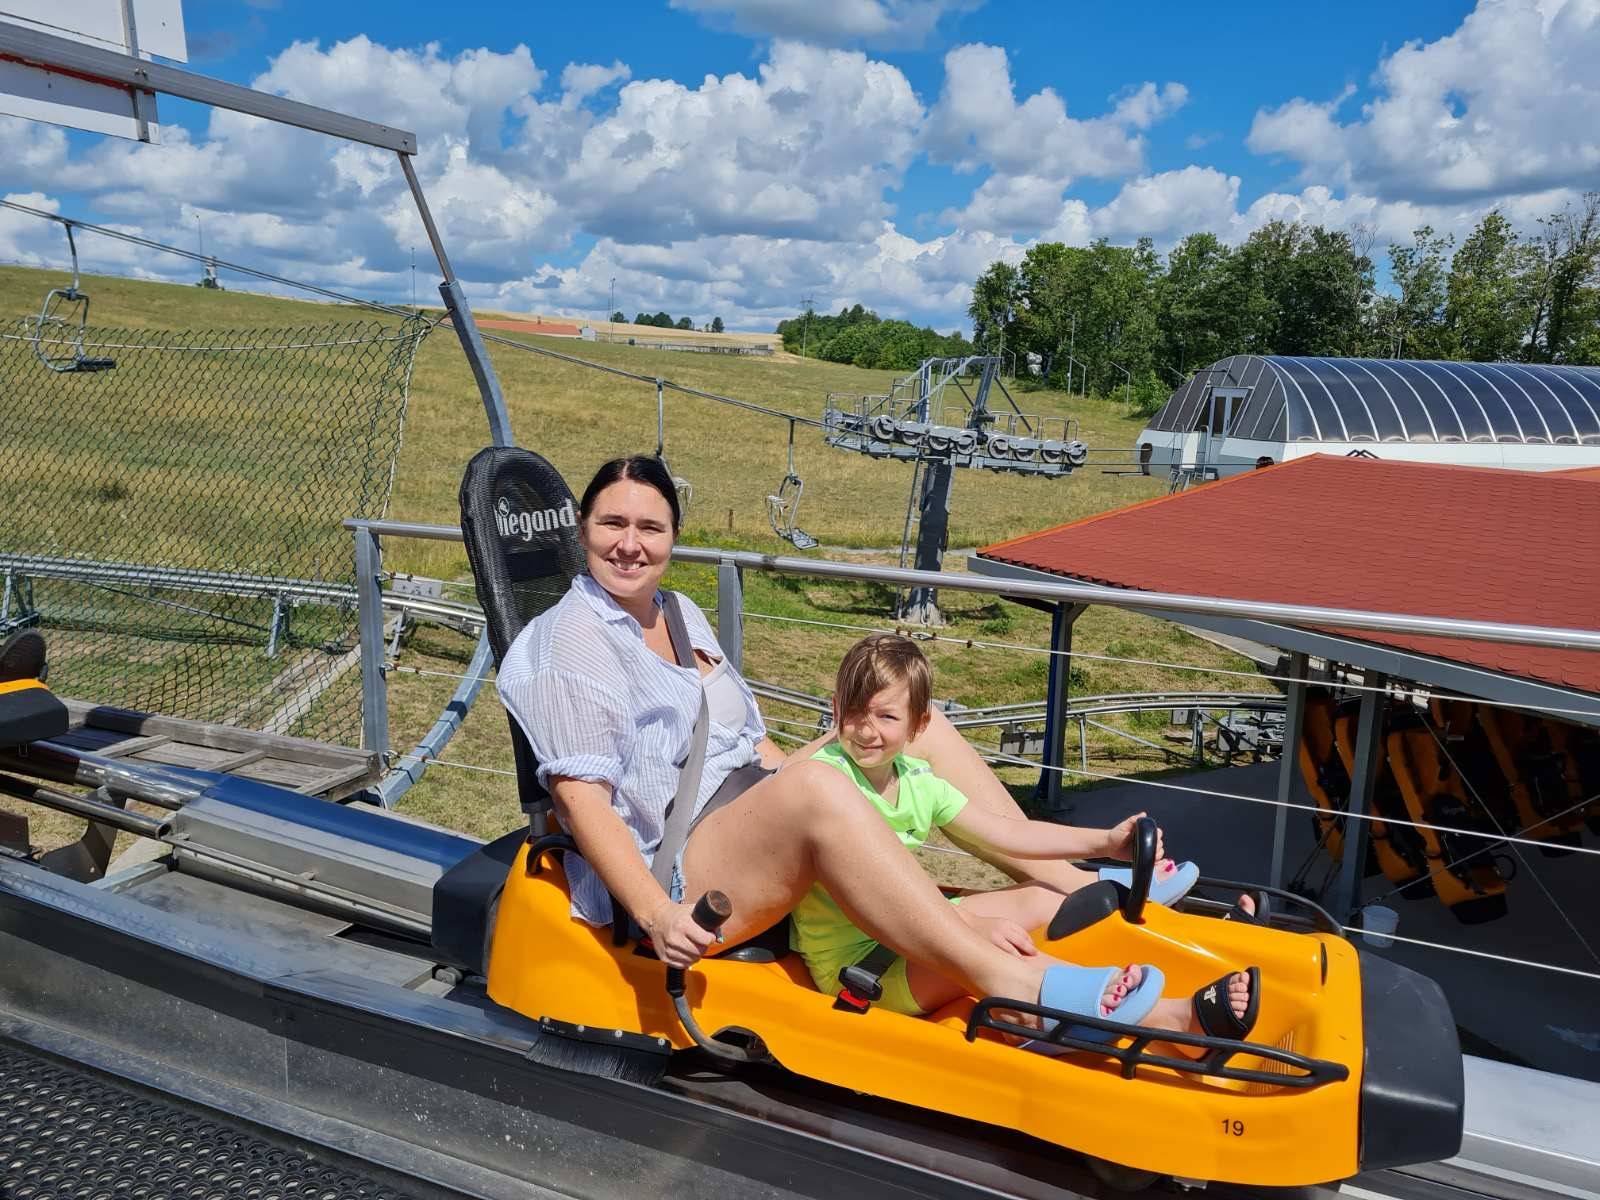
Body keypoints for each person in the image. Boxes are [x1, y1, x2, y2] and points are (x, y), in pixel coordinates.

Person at [498, 454, 1255, 1044]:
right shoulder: (573, 641)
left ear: (672, 537)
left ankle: (1073, 884)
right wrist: (659, 916)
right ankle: (1015, 985)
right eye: (611, 525)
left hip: (752, 811)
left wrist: (803, 773)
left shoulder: (679, 610)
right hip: (679, 863)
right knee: (820, 788)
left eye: (650, 528)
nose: (630, 544)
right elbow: (578, 798)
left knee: (921, 725)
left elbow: (743, 737)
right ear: (583, 531)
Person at [791, 633, 1256, 1044]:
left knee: (1044, 897)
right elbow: (865, 900)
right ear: (836, 710)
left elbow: (1009, 833)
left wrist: (1105, 842)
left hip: (913, 930)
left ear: (918, 725)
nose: (868, 730)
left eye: (886, 716)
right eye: (855, 713)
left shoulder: (916, 780)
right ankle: (1175, 1020)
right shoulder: (826, 786)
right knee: (991, 948)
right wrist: (968, 928)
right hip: (864, 967)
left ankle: (1190, 943)